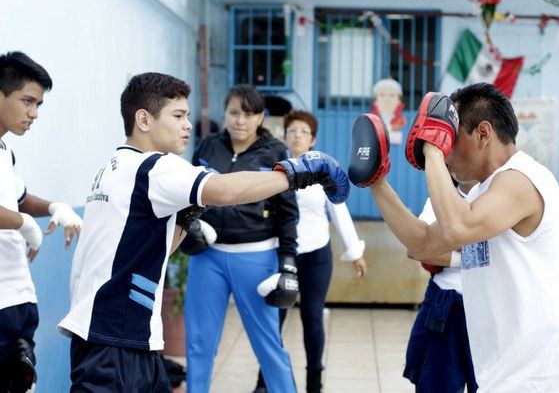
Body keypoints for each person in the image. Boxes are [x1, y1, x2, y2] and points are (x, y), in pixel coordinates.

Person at [57, 73, 349, 391]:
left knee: (267, 346)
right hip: (114, 335)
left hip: (124, 332)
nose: (187, 125)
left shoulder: (114, 167)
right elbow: (224, 191)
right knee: (200, 345)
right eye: (178, 116)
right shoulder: (154, 167)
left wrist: (186, 217)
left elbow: (151, 250)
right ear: (143, 119)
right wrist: (298, 173)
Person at [349, 83, 559, 391]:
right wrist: (377, 182)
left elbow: (457, 228)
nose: (446, 151)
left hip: (539, 381)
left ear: (483, 134)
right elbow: (421, 244)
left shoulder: (523, 178)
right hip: (502, 376)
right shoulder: (480, 193)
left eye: (450, 138)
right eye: (443, 140)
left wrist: (432, 150)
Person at [185, 85, 299, 393]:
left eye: (248, 114)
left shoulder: (276, 152)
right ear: (226, 114)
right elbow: (188, 195)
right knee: (198, 342)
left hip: (256, 258)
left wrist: (288, 264)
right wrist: (187, 227)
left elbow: (288, 213)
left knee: (268, 345)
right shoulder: (208, 146)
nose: (240, 121)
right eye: (234, 113)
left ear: (260, 117)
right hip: (207, 257)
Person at [253, 110, 368, 393]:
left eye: (303, 132)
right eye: (292, 130)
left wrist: (355, 252)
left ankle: (314, 382)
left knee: (312, 316)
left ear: (313, 139)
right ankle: (264, 380)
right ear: (284, 135)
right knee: (275, 316)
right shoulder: (273, 169)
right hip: (282, 254)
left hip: (316, 254)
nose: (297, 136)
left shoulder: (322, 170)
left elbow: (340, 213)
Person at [0, 51, 82, 392]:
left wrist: (55, 207)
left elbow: (18, 199)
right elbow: (16, 215)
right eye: (27, 101)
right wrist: (23, 224)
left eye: (39, 105)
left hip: (18, 295)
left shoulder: (5, 150)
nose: (33, 113)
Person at [403, 178, 478, 393]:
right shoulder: (439, 200)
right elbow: (421, 249)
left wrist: (448, 245)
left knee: (489, 384)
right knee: (436, 384)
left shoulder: (497, 195)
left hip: (488, 305)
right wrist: (472, 256)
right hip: (444, 303)